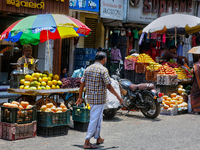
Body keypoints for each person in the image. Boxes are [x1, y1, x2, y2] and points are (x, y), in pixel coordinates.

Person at [76, 51, 124, 149]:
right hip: (99, 99)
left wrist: (80, 97)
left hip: (90, 98)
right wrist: (118, 97)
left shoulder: (87, 69)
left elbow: (82, 84)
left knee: (98, 119)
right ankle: (87, 141)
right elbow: (109, 86)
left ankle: (98, 138)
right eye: (105, 59)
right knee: (94, 119)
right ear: (103, 59)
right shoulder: (103, 70)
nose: (105, 61)